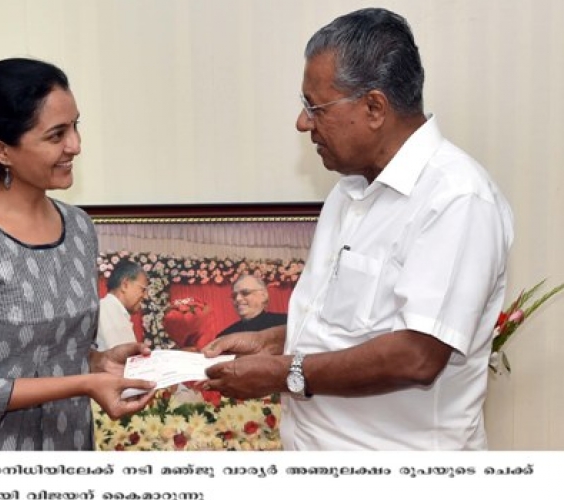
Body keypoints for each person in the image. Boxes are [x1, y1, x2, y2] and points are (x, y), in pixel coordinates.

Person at [203, 8, 514, 450]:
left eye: (315, 107)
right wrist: (275, 342)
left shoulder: (457, 197)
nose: (302, 122)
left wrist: (285, 373)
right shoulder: (348, 192)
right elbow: (348, 330)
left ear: (373, 107)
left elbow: (417, 355)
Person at [0, 57, 155, 451]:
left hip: (66, 446)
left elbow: (38, 352)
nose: (75, 145)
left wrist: (96, 362)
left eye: (75, 126)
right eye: (56, 135)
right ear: (0, 150)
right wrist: (84, 383)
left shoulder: (78, 227)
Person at [96, 260, 149, 351]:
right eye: (143, 290)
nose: (146, 296)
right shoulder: (109, 310)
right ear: (125, 285)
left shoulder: (112, 309)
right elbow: (125, 361)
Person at [217, 274, 287, 337]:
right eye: (234, 296)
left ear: (263, 295)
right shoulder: (225, 336)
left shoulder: (285, 323)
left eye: (245, 293)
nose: (238, 299)